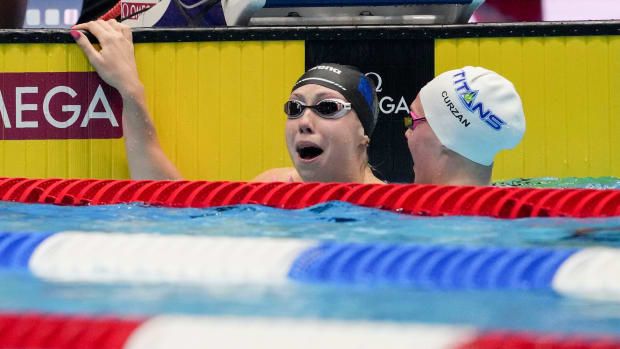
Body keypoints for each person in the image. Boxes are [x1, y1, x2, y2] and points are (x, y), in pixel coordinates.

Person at [69, 19, 383, 184]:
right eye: (295, 108)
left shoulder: (394, 208)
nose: (304, 122)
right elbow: (171, 208)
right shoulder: (273, 188)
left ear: (363, 136)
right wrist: (129, 90)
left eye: (327, 108)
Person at [405, 66, 526, 186]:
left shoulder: (398, 206)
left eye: (411, 119)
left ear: (446, 138)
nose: (407, 133)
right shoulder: (509, 201)